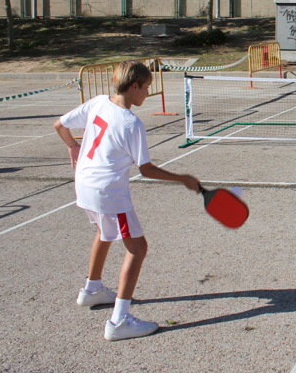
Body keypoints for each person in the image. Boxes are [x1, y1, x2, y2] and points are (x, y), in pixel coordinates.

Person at [53, 60, 200, 341]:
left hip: (83, 185)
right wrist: (183, 178)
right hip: (108, 192)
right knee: (138, 248)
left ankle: (92, 290)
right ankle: (119, 321)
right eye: (146, 88)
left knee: (103, 232)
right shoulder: (132, 123)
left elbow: (59, 124)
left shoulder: (97, 103)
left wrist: (73, 146)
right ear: (134, 87)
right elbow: (146, 169)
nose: (148, 93)